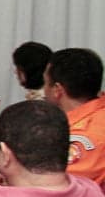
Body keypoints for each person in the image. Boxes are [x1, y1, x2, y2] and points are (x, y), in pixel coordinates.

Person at [43, 48, 105, 184]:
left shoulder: (83, 137)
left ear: (57, 90)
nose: (44, 91)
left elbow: (52, 187)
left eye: (46, 83)